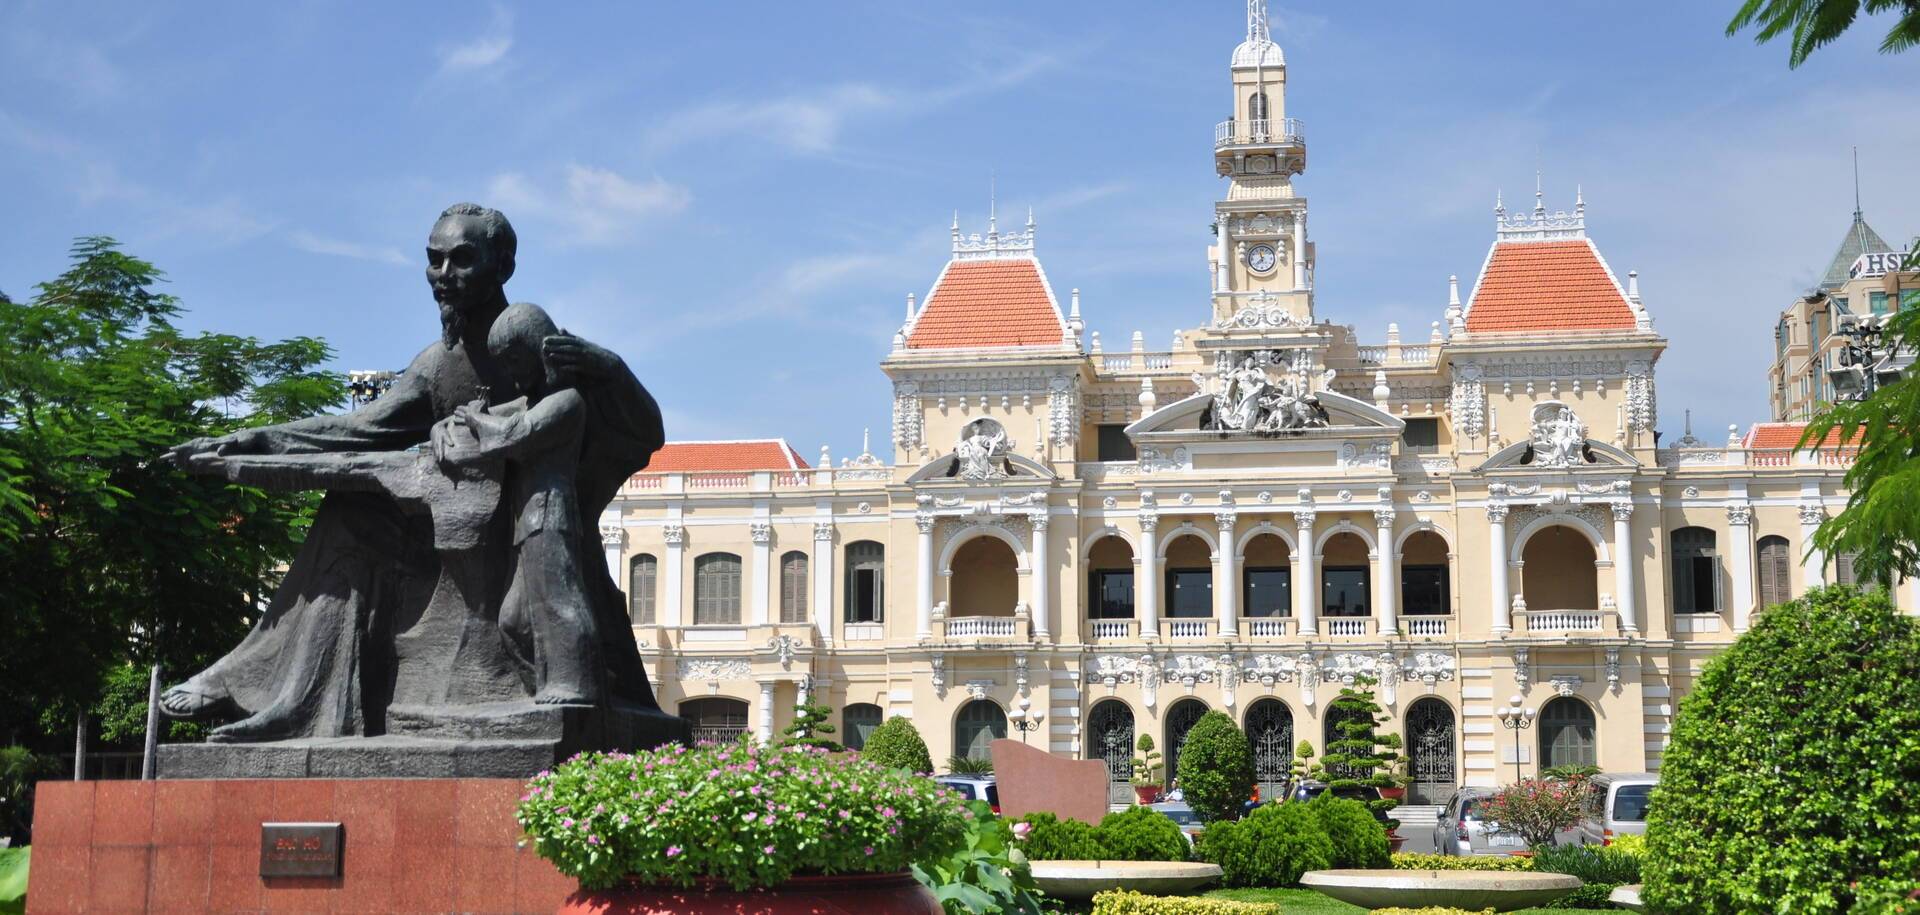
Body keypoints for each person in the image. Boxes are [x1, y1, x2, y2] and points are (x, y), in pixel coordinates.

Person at [161, 204, 664, 740]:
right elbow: (359, 428)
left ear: (503, 265)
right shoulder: (437, 364)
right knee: (349, 515)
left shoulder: (540, 346)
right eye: (434, 260)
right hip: (447, 542)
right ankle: (291, 698)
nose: (443, 276)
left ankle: (549, 688)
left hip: (528, 541)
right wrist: (256, 439)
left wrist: (608, 370)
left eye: (462, 260)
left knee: (526, 614)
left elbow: (642, 431)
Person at [437, 303, 601, 705]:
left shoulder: (566, 401)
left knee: (558, 601)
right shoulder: (531, 401)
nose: (510, 373)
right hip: (529, 518)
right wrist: (443, 424)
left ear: (537, 352)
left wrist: (475, 420)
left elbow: (514, 433)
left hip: (551, 513)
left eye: (514, 361)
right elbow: (479, 418)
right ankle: (545, 683)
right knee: (513, 620)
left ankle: (576, 684)